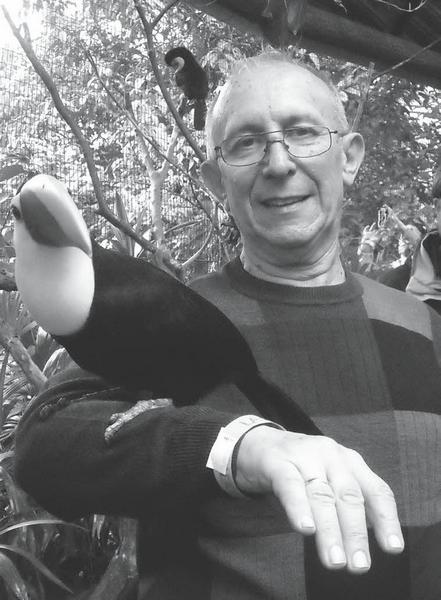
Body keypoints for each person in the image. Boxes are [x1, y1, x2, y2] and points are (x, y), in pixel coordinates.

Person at [14, 52, 441, 600]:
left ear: (350, 157)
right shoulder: (161, 313)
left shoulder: (426, 328)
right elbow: (43, 446)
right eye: (246, 143)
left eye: (303, 133)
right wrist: (232, 447)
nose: (279, 163)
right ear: (216, 181)